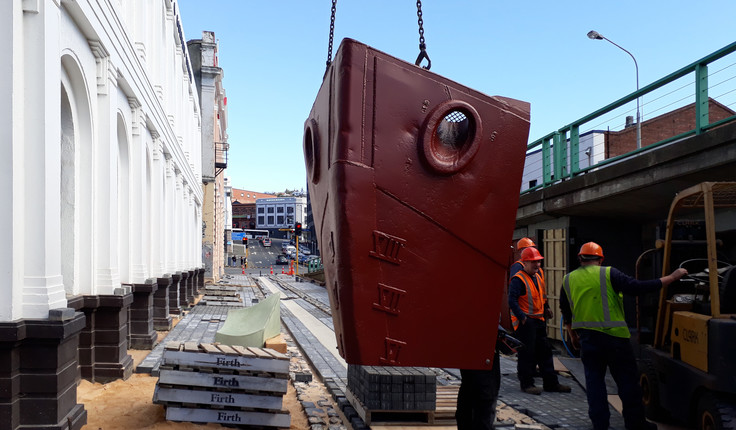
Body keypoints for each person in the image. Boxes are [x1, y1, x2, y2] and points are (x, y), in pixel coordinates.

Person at [560, 242, 687, 430]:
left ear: (580, 259)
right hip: (615, 340)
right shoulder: (609, 273)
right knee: (628, 384)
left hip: (588, 340)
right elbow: (638, 287)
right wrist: (672, 277)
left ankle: (600, 425)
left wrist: (572, 335)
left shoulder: (568, 279)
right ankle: (635, 425)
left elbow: (566, 310)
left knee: (595, 385)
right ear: (601, 259)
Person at [509, 246, 571, 395]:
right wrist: (522, 318)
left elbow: (541, 295)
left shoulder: (537, 276)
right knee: (526, 354)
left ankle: (551, 383)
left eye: (538, 261)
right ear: (524, 263)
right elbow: (512, 300)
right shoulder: (518, 279)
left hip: (538, 320)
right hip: (527, 323)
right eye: (533, 262)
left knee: (545, 353)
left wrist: (547, 307)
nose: (537, 265)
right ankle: (527, 384)